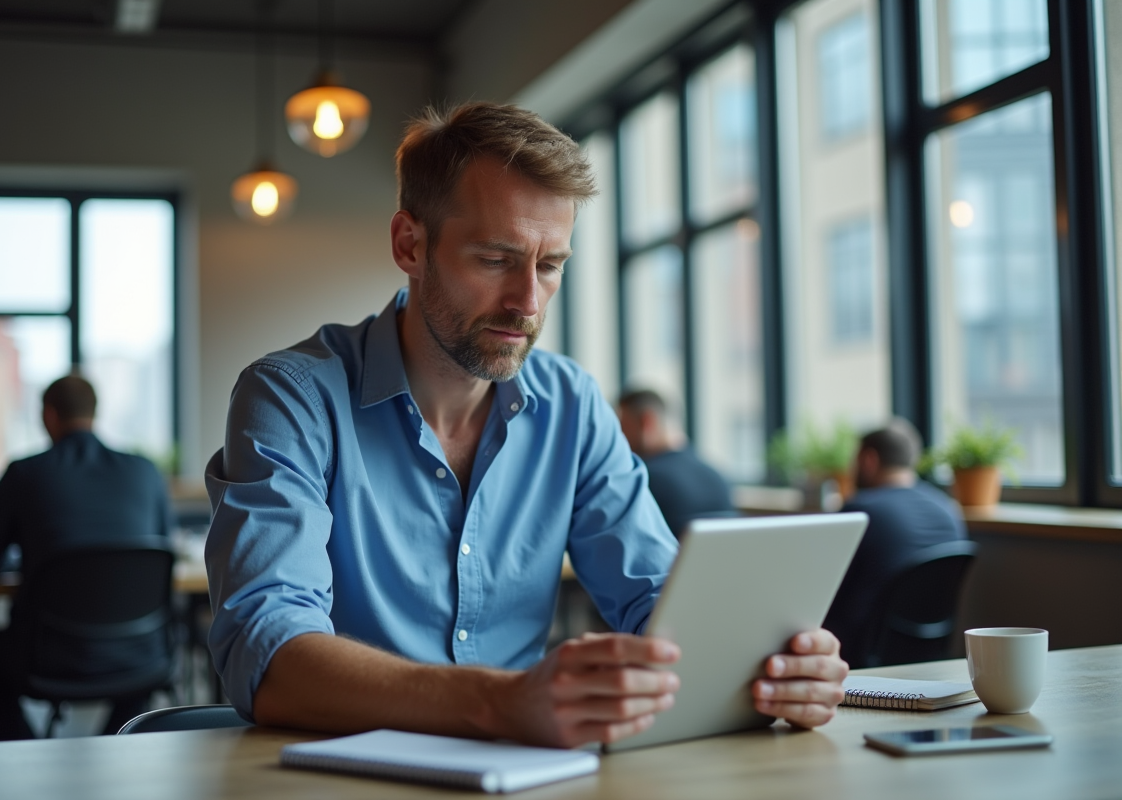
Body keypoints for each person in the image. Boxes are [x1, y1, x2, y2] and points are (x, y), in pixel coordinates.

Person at [205, 102, 848, 749]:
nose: (528, 303)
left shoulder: (572, 404)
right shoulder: (291, 397)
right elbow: (267, 654)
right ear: (410, 244)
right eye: (495, 260)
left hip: (531, 772)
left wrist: (770, 668)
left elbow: (659, 600)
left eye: (550, 266)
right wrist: (501, 702)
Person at [0, 375, 172, 739]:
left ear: (48, 415)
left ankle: (25, 749)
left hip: (47, 657)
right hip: (141, 653)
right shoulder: (145, 471)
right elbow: (162, 550)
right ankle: (113, 743)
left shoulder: (24, 472)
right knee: (142, 667)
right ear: (95, 412)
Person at [822, 418, 967, 667]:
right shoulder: (949, 510)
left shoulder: (860, 512)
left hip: (858, 653)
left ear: (869, 460)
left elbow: (826, 588)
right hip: (929, 653)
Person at [617, 388, 735, 538]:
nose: (621, 437)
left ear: (646, 422)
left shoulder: (644, 479)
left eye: (623, 425)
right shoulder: (717, 477)